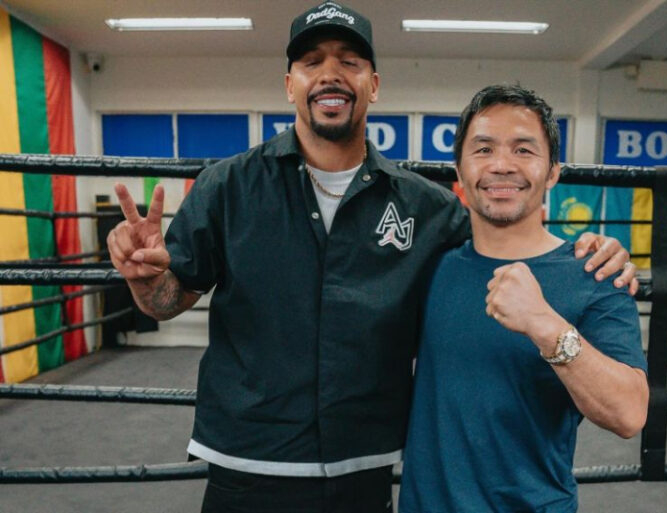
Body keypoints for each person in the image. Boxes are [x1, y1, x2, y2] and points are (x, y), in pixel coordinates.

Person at [106, 3, 638, 512]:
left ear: (374, 85)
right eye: (311, 61)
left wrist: (586, 252)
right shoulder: (228, 186)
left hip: (362, 468)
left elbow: (503, 235)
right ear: (290, 84)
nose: (330, 74)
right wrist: (142, 278)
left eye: (350, 61)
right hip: (249, 462)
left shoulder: (427, 208)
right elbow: (167, 300)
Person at [398, 84, 649, 513]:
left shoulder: (594, 273)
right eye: (483, 149)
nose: (501, 165)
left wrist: (546, 326)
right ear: (459, 169)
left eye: (523, 150)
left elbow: (629, 414)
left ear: (552, 172)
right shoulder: (427, 265)